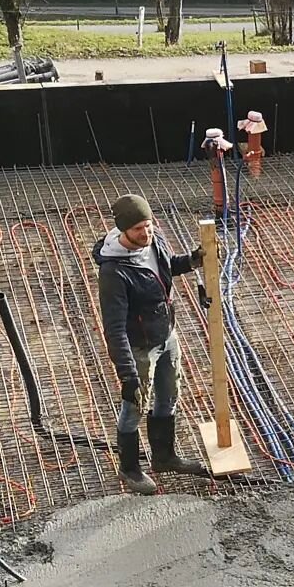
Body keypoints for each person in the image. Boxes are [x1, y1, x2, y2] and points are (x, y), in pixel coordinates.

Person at [93, 192, 204, 495]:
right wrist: (127, 375)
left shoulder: (155, 240)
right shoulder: (113, 272)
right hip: (140, 347)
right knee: (134, 406)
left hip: (167, 334)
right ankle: (130, 468)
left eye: (149, 225)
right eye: (139, 229)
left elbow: (167, 267)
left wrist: (192, 261)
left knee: (169, 395)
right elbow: (114, 328)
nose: (146, 232)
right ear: (123, 231)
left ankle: (164, 456)